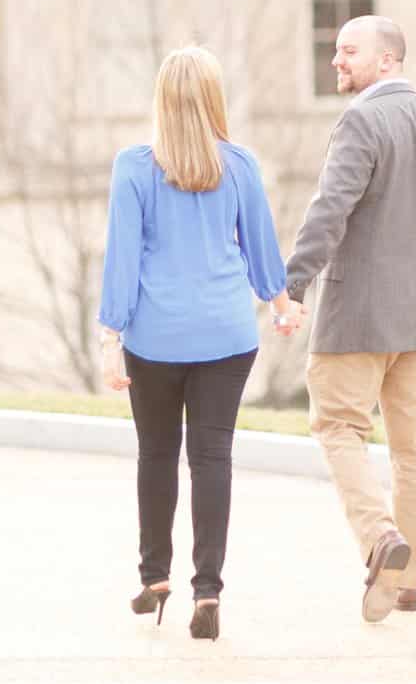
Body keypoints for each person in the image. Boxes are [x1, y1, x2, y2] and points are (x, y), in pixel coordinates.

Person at [98, 44, 298, 642]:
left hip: (155, 337)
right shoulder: (239, 165)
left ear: (160, 100)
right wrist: (281, 304)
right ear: (214, 100)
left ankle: (154, 576)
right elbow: (261, 246)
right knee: (212, 458)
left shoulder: (132, 167)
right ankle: (207, 590)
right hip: (227, 334)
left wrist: (111, 335)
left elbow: (122, 259)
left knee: (156, 454)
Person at [285, 15, 416, 623]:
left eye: (349, 51)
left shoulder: (362, 120)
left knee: (338, 428)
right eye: (336, 50)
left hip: (359, 314)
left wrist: (292, 283)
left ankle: (379, 538)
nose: (337, 61)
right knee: (413, 448)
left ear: (387, 60)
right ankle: (412, 581)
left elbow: (329, 210)